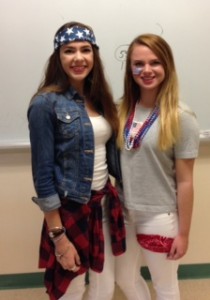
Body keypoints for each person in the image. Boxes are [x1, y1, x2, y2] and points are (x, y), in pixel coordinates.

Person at [28, 21, 126, 300]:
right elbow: (43, 175)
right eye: (69, 50)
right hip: (70, 210)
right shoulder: (44, 104)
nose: (78, 58)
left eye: (86, 49)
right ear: (58, 57)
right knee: (71, 287)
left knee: (104, 286)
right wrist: (58, 237)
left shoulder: (101, 99)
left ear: (94, 55)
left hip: (103, 205)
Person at [116, 33, 200, 300]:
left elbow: (186, 181)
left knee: (164, 285)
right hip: (124, 213)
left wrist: (183, 234)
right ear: (130, 69)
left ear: (167, 66)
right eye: (138, 63)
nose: (147, 70)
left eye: (155, 62)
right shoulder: (121, 110)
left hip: (159, 216)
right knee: (124, 278)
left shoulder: (180, 116)